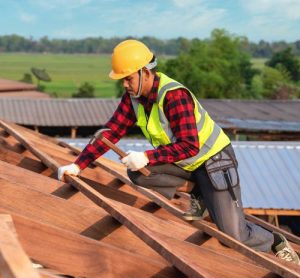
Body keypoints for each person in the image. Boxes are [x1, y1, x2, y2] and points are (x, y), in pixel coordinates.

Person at [58, 40, 299, 265]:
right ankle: (200, 193)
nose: (124, 84)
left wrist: (148, 156)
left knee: (232, 234)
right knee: (139, 174)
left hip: (215, 162)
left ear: (145, 72)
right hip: (188, 164)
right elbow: (111, 132)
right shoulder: (133, 98)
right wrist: (78, 165)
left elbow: (190, 146)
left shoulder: (173, 95)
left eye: (128, 78)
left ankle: (275, 241)